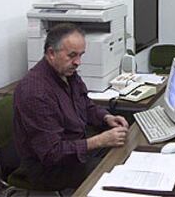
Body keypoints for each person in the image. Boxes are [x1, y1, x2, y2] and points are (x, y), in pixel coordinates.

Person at [13, 23, 129, 191]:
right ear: (51, 53)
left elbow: (86, 106)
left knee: (124, 153)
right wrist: (100, 141)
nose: (78, 62)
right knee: (116, 173)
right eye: (72, 55)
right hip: (49, 169)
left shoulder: (67, 74)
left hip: (75, 148)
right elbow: (52, 153)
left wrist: (107, 117)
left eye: (81, 55)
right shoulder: (35, 92)